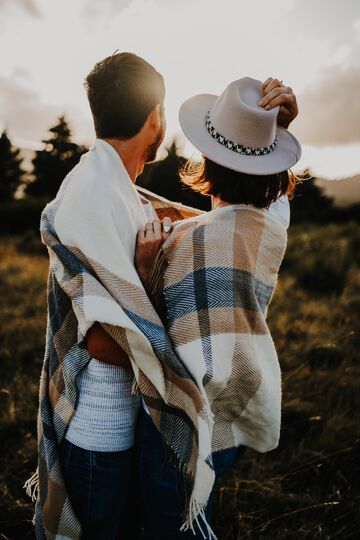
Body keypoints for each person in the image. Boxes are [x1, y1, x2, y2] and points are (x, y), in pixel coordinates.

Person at [133, 76, 301, 539]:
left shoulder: (183, 241)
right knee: (198, 507)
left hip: (183, 421)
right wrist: (278, 127)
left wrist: (148, 266)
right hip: (235, 408)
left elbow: (150, 325)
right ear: (273, 169)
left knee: (172, 523)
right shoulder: (271, 228)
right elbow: (274, 201)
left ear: (206, 161)